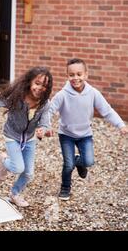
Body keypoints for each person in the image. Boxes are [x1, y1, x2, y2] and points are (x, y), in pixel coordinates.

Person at [47, 58, 127, 201]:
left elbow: (107, 111)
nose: (75, 78)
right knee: (68, 164)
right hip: (66, 134)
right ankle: (65, 188)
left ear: (86, 75)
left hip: (85, 134)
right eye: (71, 75)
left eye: (79, 74)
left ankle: (79, 162)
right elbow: (50, 110)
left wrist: (120, 124)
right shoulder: (62, 95)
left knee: (88, 161)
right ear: (67, 76)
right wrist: (46, 126)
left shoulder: (93, 93)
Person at [0, 67, 53, 207]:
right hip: (12, 135)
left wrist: (44, 130)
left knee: (28, 173)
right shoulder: (17, 97)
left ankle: (14, 194)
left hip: (29, 138)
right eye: (37, 83)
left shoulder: (45, 104)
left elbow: (45, 123)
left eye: (45, 86)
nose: (40, 88)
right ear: (30, 82)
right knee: (17, 168)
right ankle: (3, 159)